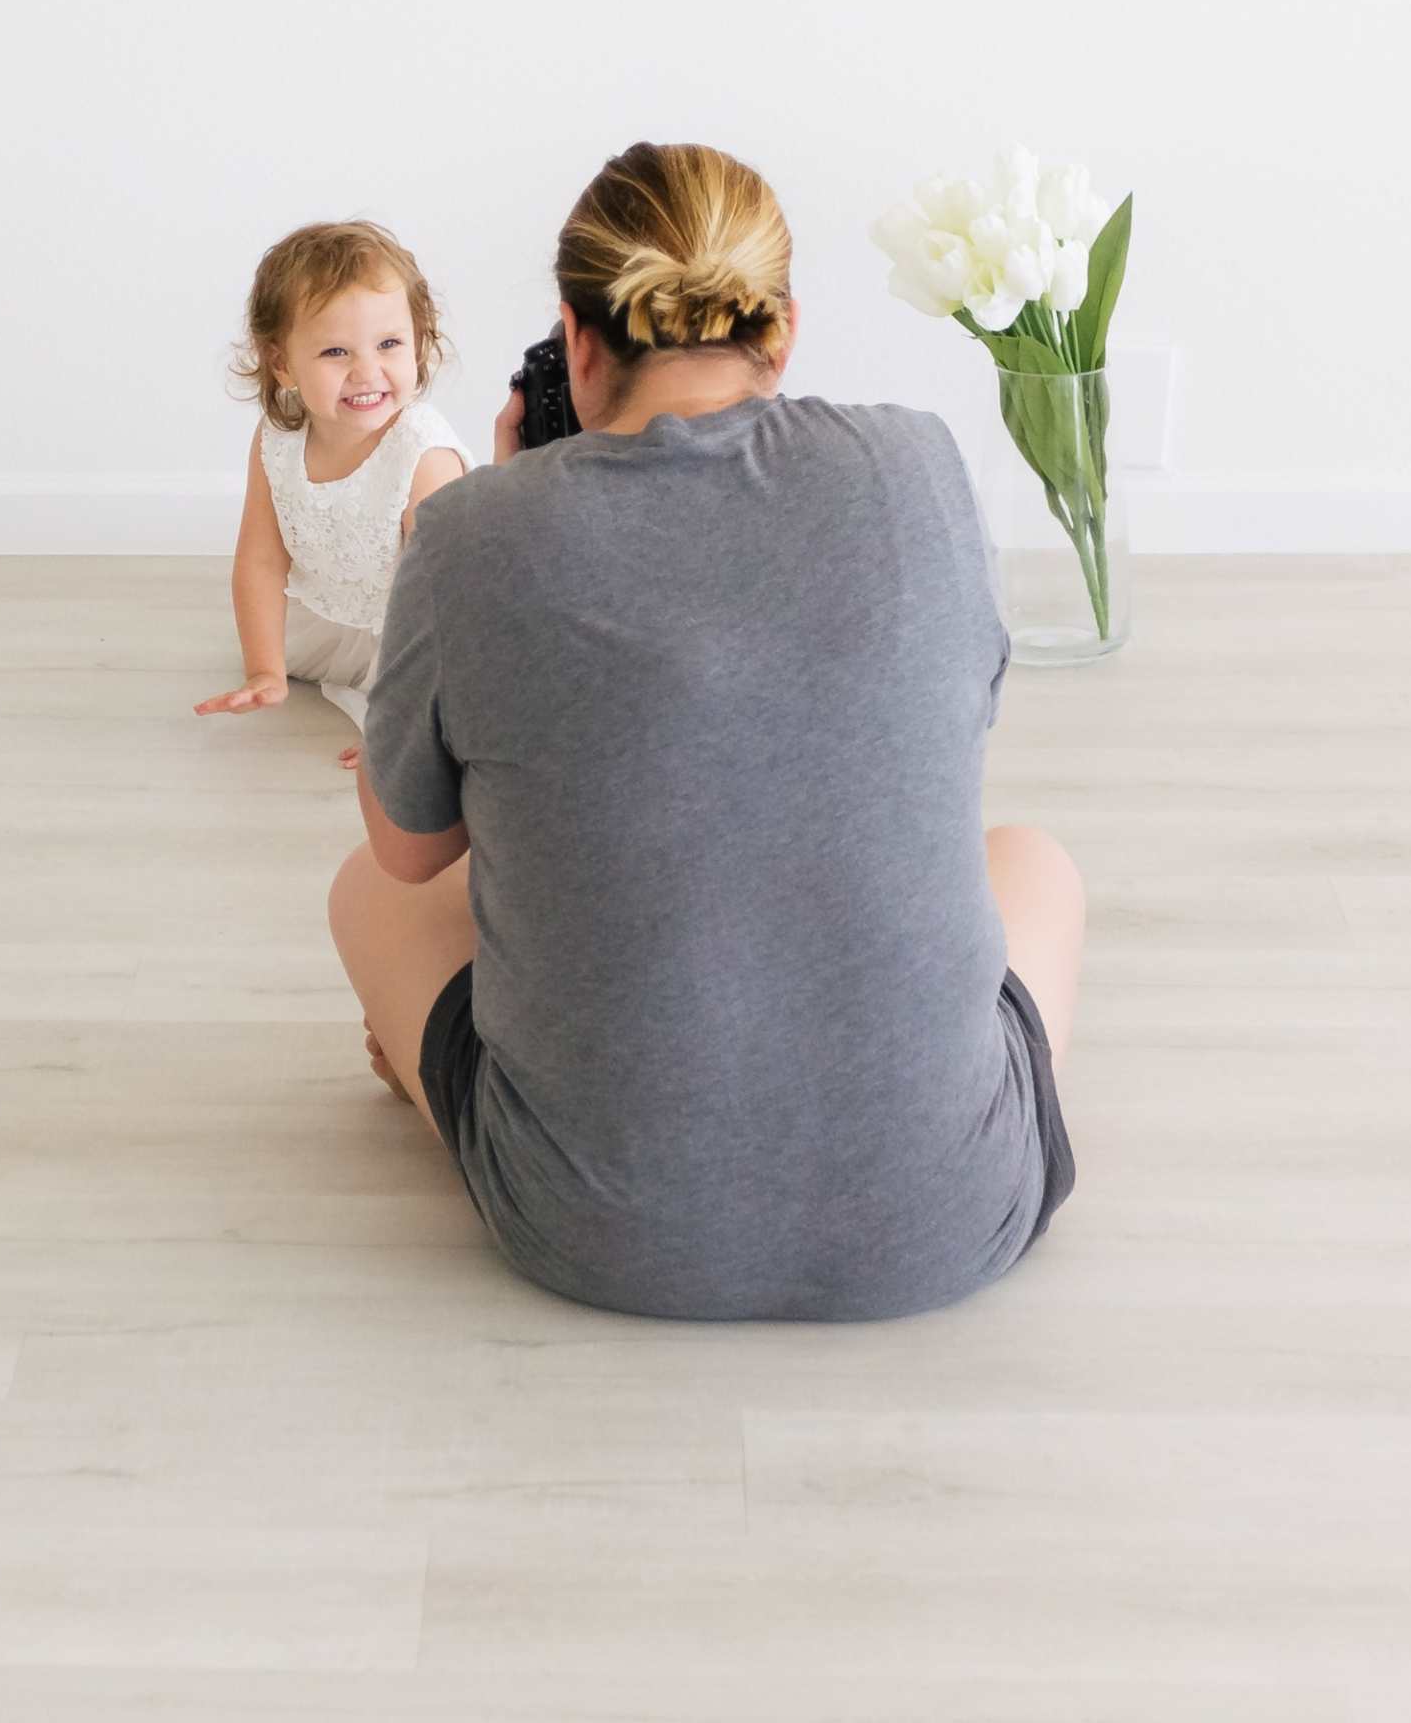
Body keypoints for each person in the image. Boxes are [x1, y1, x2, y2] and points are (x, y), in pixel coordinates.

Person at [325, 141, 1085, 1321]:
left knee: (366, 896)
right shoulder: (922, 466)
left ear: (577, 342)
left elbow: (410, 850)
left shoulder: (474, 535)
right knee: (1034, 861)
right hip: (952, 1224)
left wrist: (505, 529)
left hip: (595, 1241)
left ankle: (451, 1079)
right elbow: (951, 722)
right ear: (780, 330)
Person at [197, 219, 473, 735]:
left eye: (389, 343)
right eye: (335, 352)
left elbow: (441, 604)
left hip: (430, 633)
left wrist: (403, 731)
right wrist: (265, 668)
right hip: (327, 625)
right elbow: (260, 560)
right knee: (284, 650)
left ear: (418, 343)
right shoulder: (278, 439)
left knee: (467, 695)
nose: (366, 371)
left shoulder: (424, 457)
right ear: (282, 364)